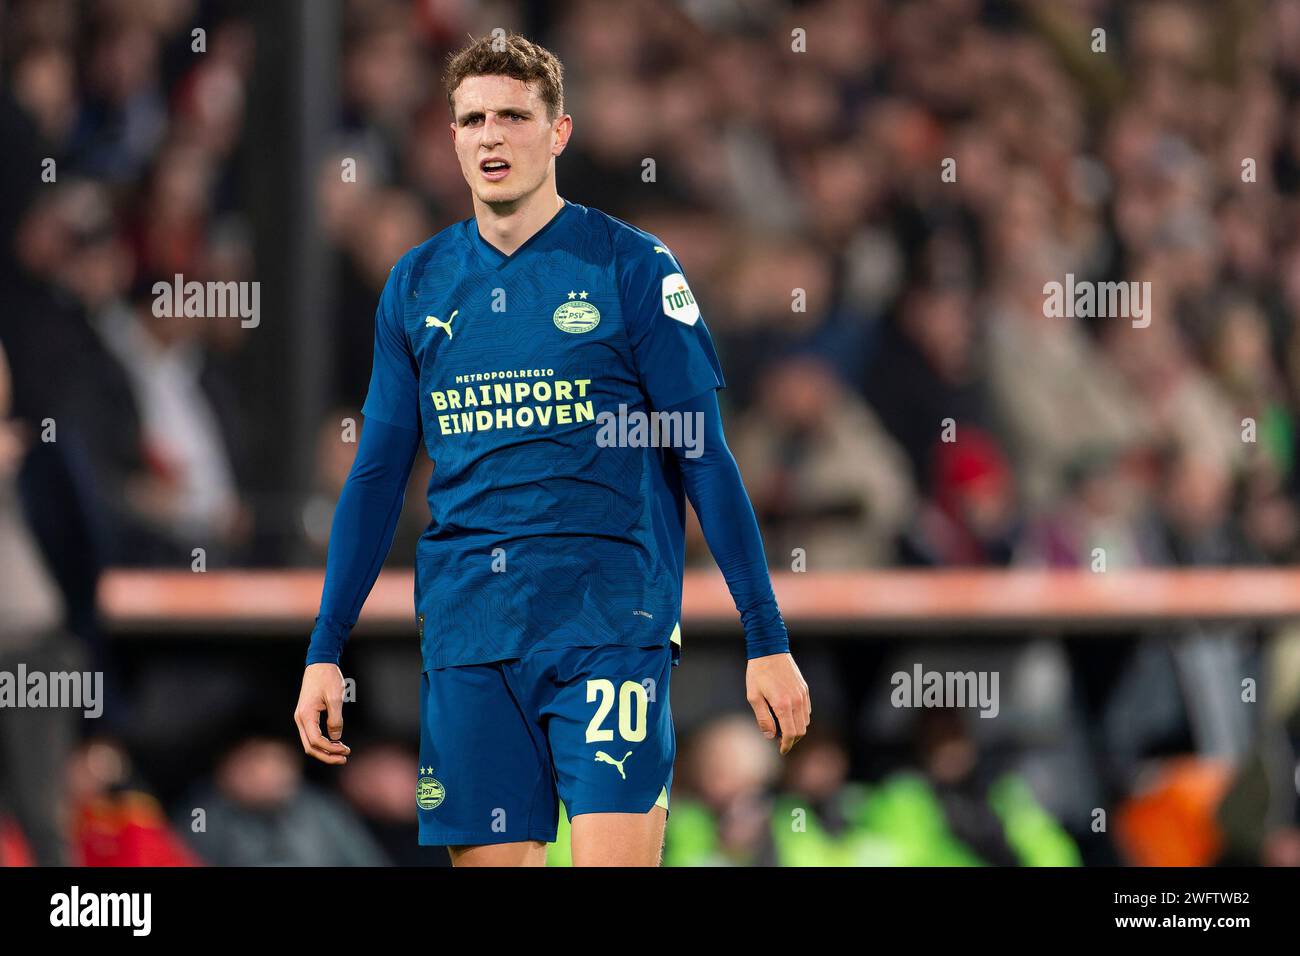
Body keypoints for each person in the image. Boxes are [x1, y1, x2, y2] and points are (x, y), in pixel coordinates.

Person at [293, 33, 810, 867]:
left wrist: (766, 635)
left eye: (513, 116)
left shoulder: (631, 268)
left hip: (609, 622)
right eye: (471, 120)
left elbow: (702, 455)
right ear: (452, 137)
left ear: (558, 131)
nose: (491, 136)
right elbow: (378, 475)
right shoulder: (416, 285)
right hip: (470, 630)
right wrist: (325, 647)